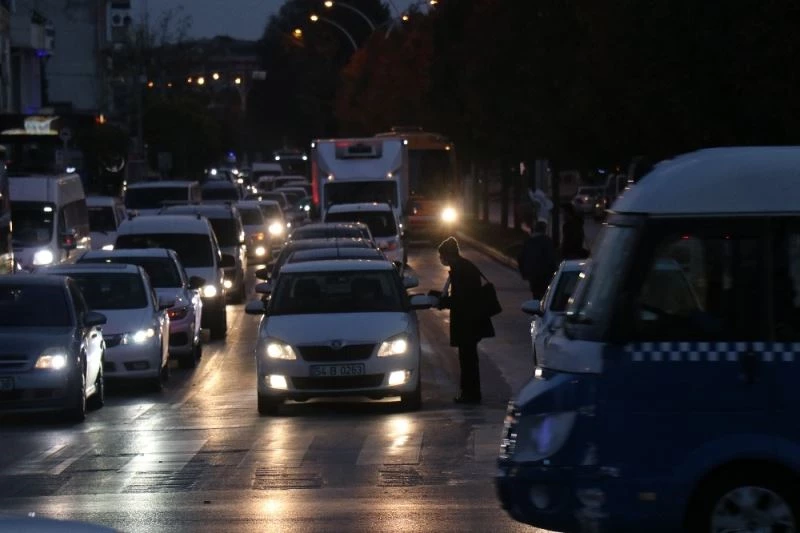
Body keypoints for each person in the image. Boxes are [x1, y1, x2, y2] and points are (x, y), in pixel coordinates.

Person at [434, 237, 495, 404]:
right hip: (470, 321)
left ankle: (470, 394)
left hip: (468, 322)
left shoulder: (461, 270)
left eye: (442, 256)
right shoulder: (463, 267)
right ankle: (470, 392)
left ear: (448, 255)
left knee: (468, 359)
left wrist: (442, 302)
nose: (441, 259)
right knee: (468, 358)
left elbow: (462, 299)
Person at [518, 220, 558, 299]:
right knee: (544, 294)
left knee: (536, 294)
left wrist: (524, 272)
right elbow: (551, 258)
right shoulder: (547, 241)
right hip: (545, 274)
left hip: (533, 274)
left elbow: (521, 257)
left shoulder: (529, 241)